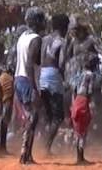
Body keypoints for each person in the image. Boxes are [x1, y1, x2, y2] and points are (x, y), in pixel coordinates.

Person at [14, 6, 45, 164]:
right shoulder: (36, 39)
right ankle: (24, 155)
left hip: (19, 79)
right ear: (38, 21)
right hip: (28, 80)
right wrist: (35, 89)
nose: (44, 23)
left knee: (30, 118)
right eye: (42, 19)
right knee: (32, 118)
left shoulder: (22, 37)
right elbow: (30, 64)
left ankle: (27, 154)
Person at [39, 14, 69, 155]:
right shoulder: (62, 41)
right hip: (53, 75)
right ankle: (46, 147)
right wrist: (64, 79)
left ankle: (44, 146)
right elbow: (62, 63)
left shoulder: (43, 39)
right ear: (64, 26)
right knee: (58, 116)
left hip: (41, 74)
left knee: (47, 114)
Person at [70, 54, 98, 165]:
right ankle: (80, 159)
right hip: (84, 101)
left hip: (76, 101)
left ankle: (79, 157)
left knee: (78, 131)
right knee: (83, 132)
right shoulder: (90, 75)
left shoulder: (79, 74)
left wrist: (73, 104)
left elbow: (74, 90)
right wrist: (91, 105)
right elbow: (90, 91)